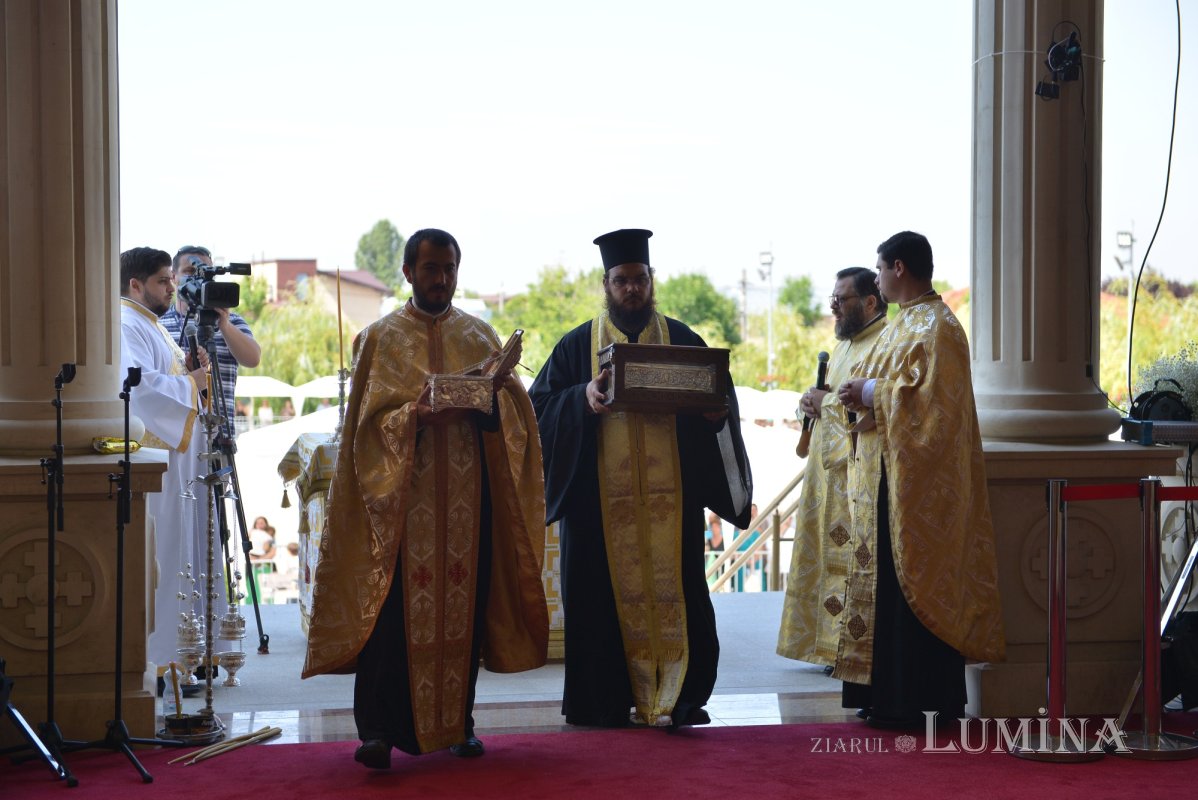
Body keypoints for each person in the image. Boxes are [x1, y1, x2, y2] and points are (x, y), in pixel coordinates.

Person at [302, 228, 549, 770]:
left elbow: (513, 420)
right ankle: (378, 733)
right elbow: (363, 432)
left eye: (450, 269)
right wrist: (417, 414)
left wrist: (490, 399)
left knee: (465, 614)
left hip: (467, 506)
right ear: (409, 273)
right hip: (400, 512)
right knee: (391, 623)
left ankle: (459, 724)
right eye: (431, 268)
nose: (441, 279)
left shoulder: (480, 336)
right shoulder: (379, 339)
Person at [529, 228, 753, 729]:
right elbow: (537, 409)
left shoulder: (684, 341)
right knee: (597, 604)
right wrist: (581, 398)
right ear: (605, 284)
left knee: (680, 595)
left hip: (669, 507)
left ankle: (682, 697)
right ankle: (602, 701)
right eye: (621, 280)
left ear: (652, 281)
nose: (631, 289)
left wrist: (716, 418)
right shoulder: (575, 346)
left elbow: (717, 402)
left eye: (639, 279)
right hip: (597, 510)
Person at [835, 231, 1005, 728]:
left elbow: (931, 408)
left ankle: (915, 702)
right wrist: (862, 404)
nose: (880, 276)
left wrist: (870, 391)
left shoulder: (938, 327)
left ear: (899, 268)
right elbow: (897, 396)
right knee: (886, 590)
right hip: (888, 475)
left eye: (882, 269)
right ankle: (885, 696)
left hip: (919, 489)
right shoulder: (903, 324)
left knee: (912, 591)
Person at [777, 266, 888, 667]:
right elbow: (832, 401)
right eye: (833, 301)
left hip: (859, 478)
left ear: (870, 301)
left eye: (841, 301)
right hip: (826, 477)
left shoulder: (885, 343)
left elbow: (874, 412)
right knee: (823, 559)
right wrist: (809, 402)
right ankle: (825, 645)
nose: (834, 309)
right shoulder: (843, 346)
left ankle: (850, 647)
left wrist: (823, 403)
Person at [118, 246, 211, 680]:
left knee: (179, 558)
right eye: (162, 280)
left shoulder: (151, 324)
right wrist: (190, 383)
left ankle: (182, 657)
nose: (172, 286)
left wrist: (192, 373)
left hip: (177, 468)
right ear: (135, 284)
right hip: (157, 469)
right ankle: (161, 662)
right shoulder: (125, 324)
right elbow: (139, 390)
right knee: (163, 560)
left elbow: (168, 379)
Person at [159, 245, 261, 436]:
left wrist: (224, 324)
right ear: (174, 277)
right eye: (190, 271)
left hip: (221, 436)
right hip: (176, 436)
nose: (198, 278)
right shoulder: (160, 323)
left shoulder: (233, 321)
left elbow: (253, 359)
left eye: (206, 273)